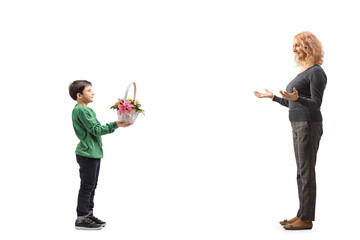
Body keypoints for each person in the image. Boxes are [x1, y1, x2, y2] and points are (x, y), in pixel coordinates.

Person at [254, 31, 327, 230]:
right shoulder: (303, 72)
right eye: (293, 45)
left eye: (297, 45)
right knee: (300, 172)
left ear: (307, 46)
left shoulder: (316, 72)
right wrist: (273, 98)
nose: (293, 49)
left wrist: (297, 99)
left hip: (309, 124)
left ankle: (306, 219)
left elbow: (315, 104)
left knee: (306, 171)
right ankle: (301, 214)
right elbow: (293, 104)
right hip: (297, 123)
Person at [69, 80, 132, 230]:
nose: (93, 93)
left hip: (93, 153)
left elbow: (96, 129)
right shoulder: (81, 110)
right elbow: (97, 130)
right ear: (79, 95)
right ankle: (81, 218)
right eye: (89, 90)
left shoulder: (87, 110)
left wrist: (116, 125)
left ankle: (88, 214)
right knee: (87, 186)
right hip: (87, 154)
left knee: (92, 186)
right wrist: (116, 124)